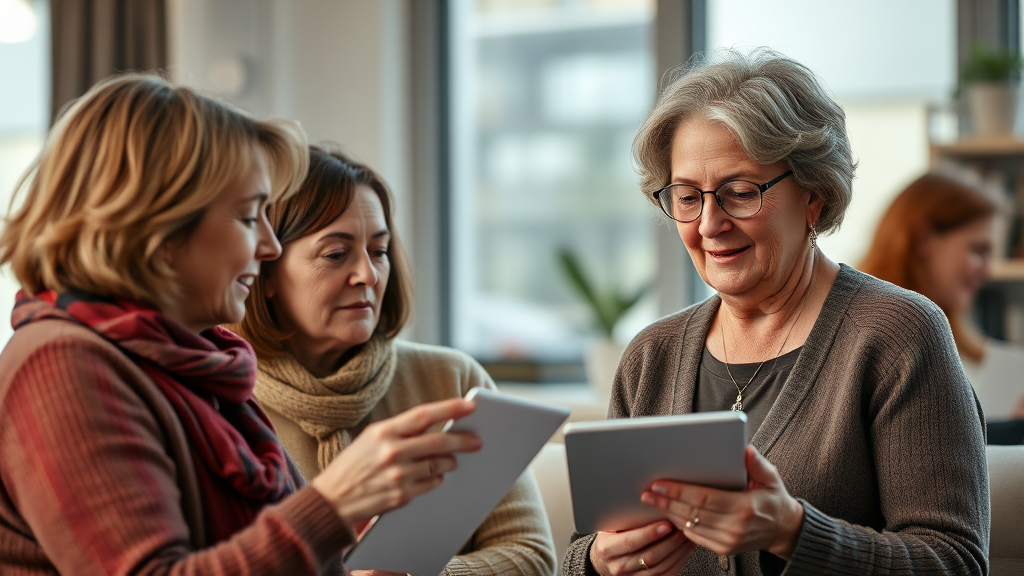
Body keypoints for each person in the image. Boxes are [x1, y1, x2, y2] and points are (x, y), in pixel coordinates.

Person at [0, 74, 482, 575]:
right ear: (161, 227)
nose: (270, 247)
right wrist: (333, 507)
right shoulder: (60, 364)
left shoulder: (208, 366)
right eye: (250, 217)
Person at [562, 49, 989, 575]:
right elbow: (589, 545)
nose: (709, 223)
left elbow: (956, 562)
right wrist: (598, 562)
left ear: (814, 195)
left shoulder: (897, 335)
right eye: (687, 196)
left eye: (740, 193)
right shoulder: (651, 355)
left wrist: (793, 532)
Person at [231, 145, 557, 576]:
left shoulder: (452, 380)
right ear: (266, 271)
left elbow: (531, 557)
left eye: (379, 251)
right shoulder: (226, 401)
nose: (368, 274)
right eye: (335, 254)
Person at [859, 172, 1024, 422]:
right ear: (923, 239)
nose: (988, 271)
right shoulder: (859, 341)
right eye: (978, 250)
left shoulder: (980, 358)